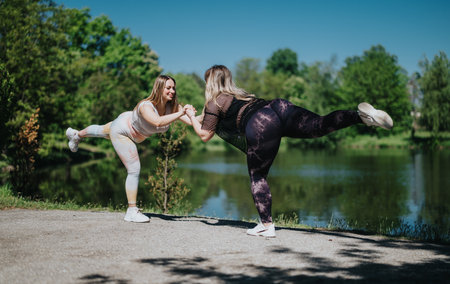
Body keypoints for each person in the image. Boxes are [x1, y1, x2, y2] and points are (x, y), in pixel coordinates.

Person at [186, 65, 393, 237]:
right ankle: (361, 116)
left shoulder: (214, 102)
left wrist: (192, 118)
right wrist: (185, 115)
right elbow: (203, 122)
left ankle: (267, 226)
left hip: (260, 123)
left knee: (258, 175)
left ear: (210, 82)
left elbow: (205, 134)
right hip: (279, 107)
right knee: (319, 125)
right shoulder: (239, 95)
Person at [66, 75, 193, 223]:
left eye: (173, 88)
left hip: (128, 124)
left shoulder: (173, 107)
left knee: (101, 130)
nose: (172, 91)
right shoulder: (146, 106)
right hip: (123, 131)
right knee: (134, 169)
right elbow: (157, 122)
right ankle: (131, 211)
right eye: (168, 88)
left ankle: (76, 135)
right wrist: (181, 113)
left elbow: (194, 121)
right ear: (159, 88)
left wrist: (213, 114)